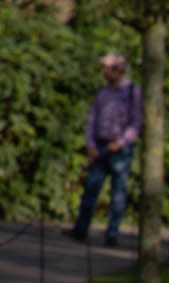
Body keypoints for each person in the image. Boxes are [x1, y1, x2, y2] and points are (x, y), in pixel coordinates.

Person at [67, 52, 141, 247]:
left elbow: (136, 123)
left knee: (118, 193)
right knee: (91, 188)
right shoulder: (102, 93)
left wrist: (122, 142)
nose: (104, 71)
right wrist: (90, 145)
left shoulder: (132, 91)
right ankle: (81, 229)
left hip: (120, 149)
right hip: (100, 146)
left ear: (119, 69)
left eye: (107, 67)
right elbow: (92, 120)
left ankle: (112, 234)